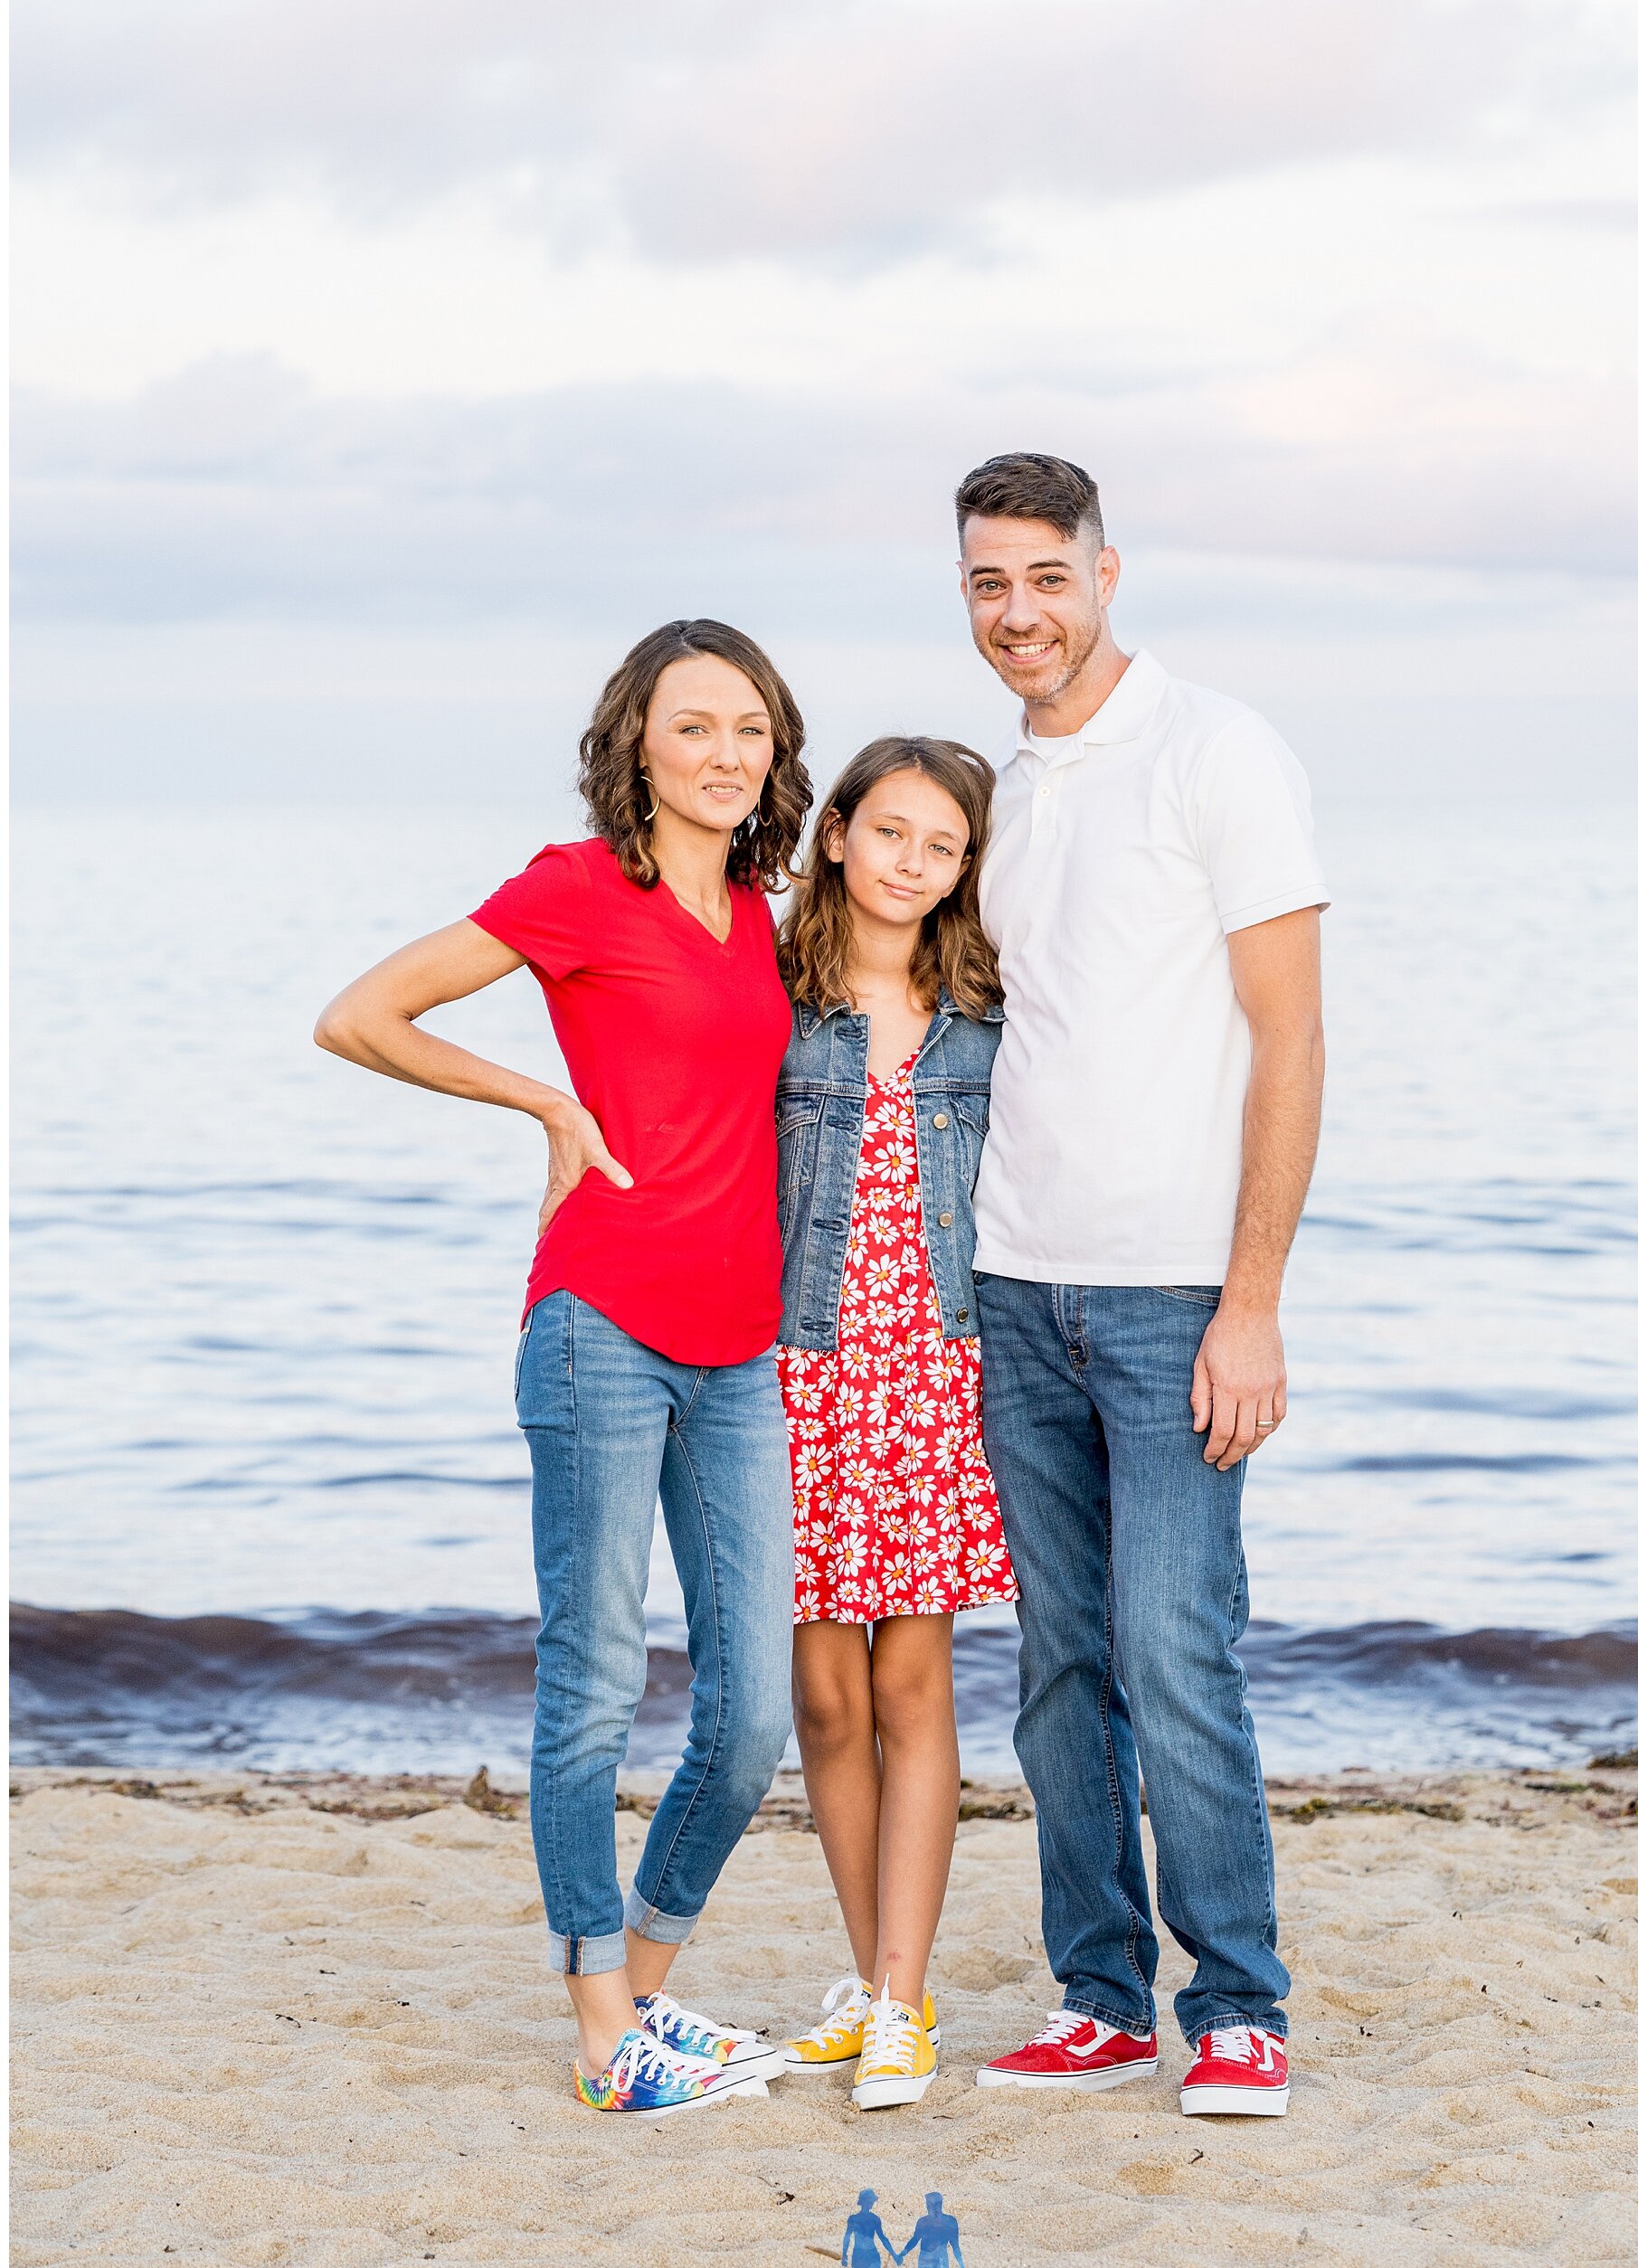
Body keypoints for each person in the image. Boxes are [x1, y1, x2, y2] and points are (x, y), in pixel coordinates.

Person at [314, 619, 812, 2116]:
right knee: (594, 1683)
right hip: (600, 1321)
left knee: (755, 1709)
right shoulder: (578, 888)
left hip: (741, 1345)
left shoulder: (776, 917)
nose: (725, 754)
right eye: (694, 727)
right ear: (636, 743)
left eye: (750, 729)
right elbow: (359, 1016)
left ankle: (640, 1995)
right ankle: (604, 2032)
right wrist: (542, 1103)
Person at [956, 455, 1328, 2120]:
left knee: (1177, 1647)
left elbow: (1292, 1036)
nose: (1017, 614)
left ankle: (1238, 2003)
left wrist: (1252, 1298)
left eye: (1044, 576)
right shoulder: (1001, 793)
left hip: (1179, 1291)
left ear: (1109, 572)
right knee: (1057, 1664)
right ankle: (1099, 1997)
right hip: (1014, 1286)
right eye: (986, 585)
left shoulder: (1218, 750)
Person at [771, 739, 1018, 2111]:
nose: (913, 862)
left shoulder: (986, 1008)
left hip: (932, 1376)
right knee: (821, 1694)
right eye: (891, 832)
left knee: (912, 1685)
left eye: (945, 843)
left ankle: (903, 2001)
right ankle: (877, 1989)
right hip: (797, 1370)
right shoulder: (780, 994)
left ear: (967, 866)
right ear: (842, 834)